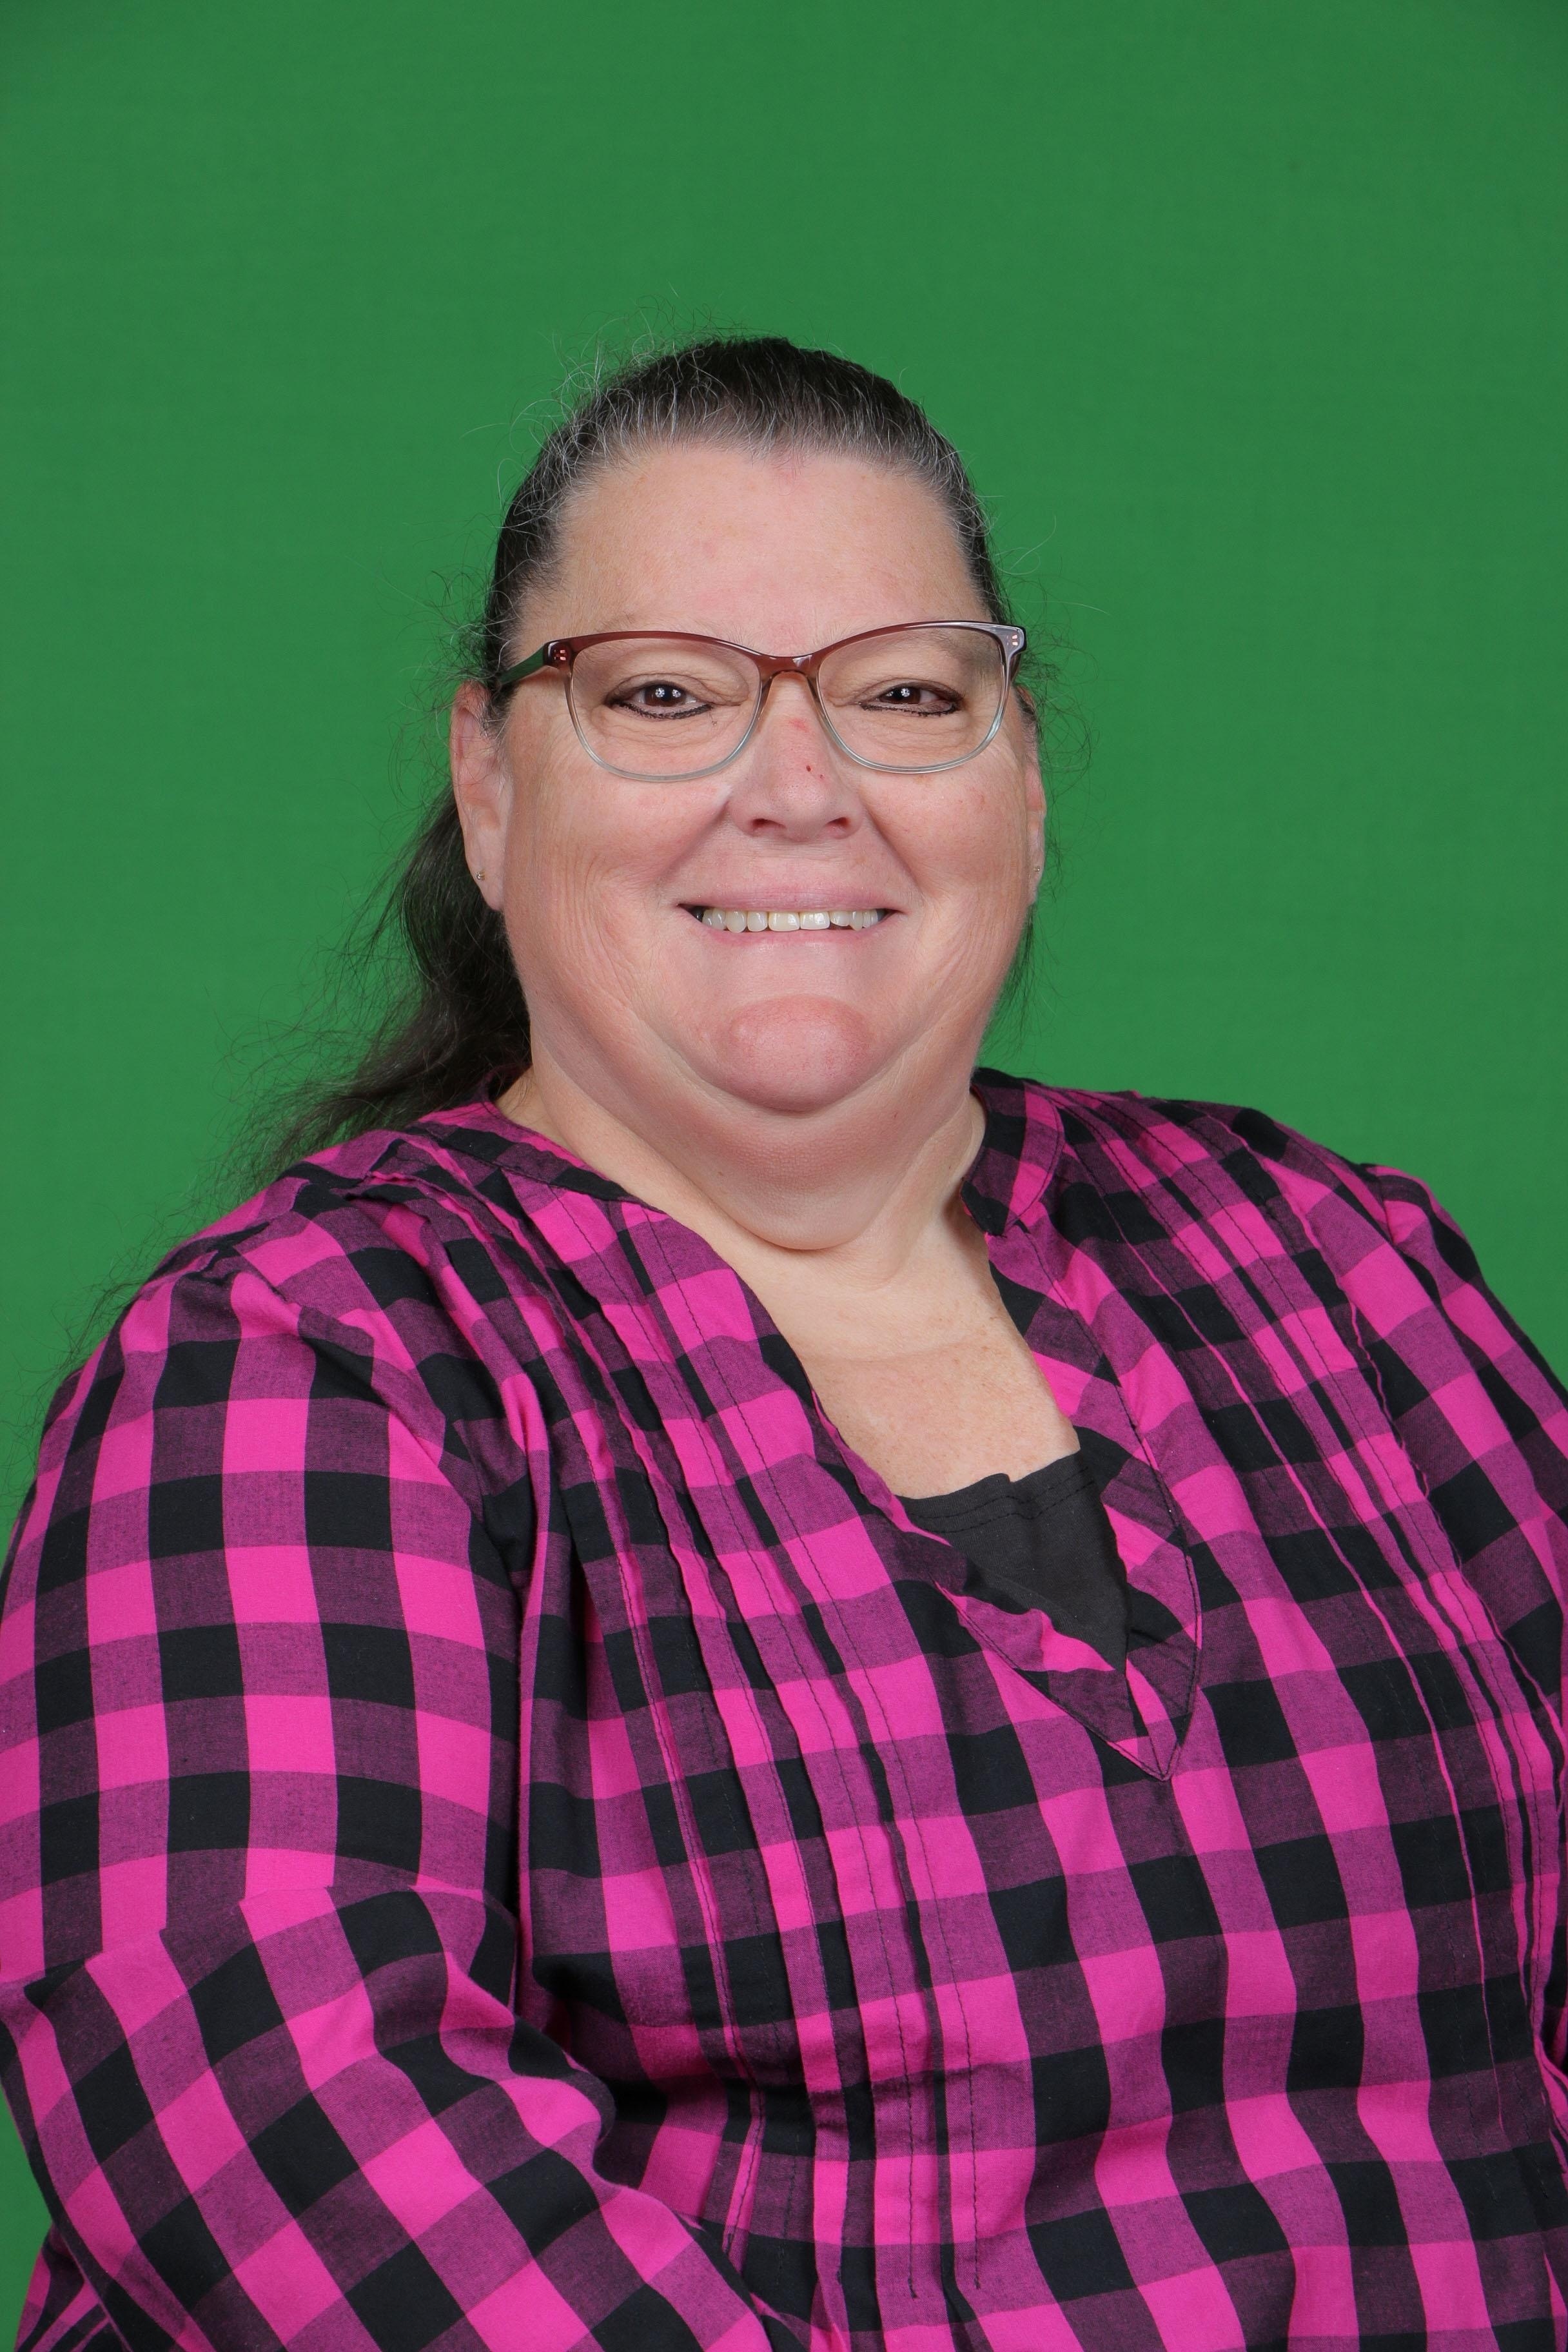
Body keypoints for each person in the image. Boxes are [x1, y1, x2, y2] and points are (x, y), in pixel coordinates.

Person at [2, 337, 1565, 2352]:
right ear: (491, 785)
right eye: (666, 696)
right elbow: (278, 2119)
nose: (802, 787)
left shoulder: (1335, 1270)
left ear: (1021, 775)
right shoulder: (316, 1362)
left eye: (906, 695)